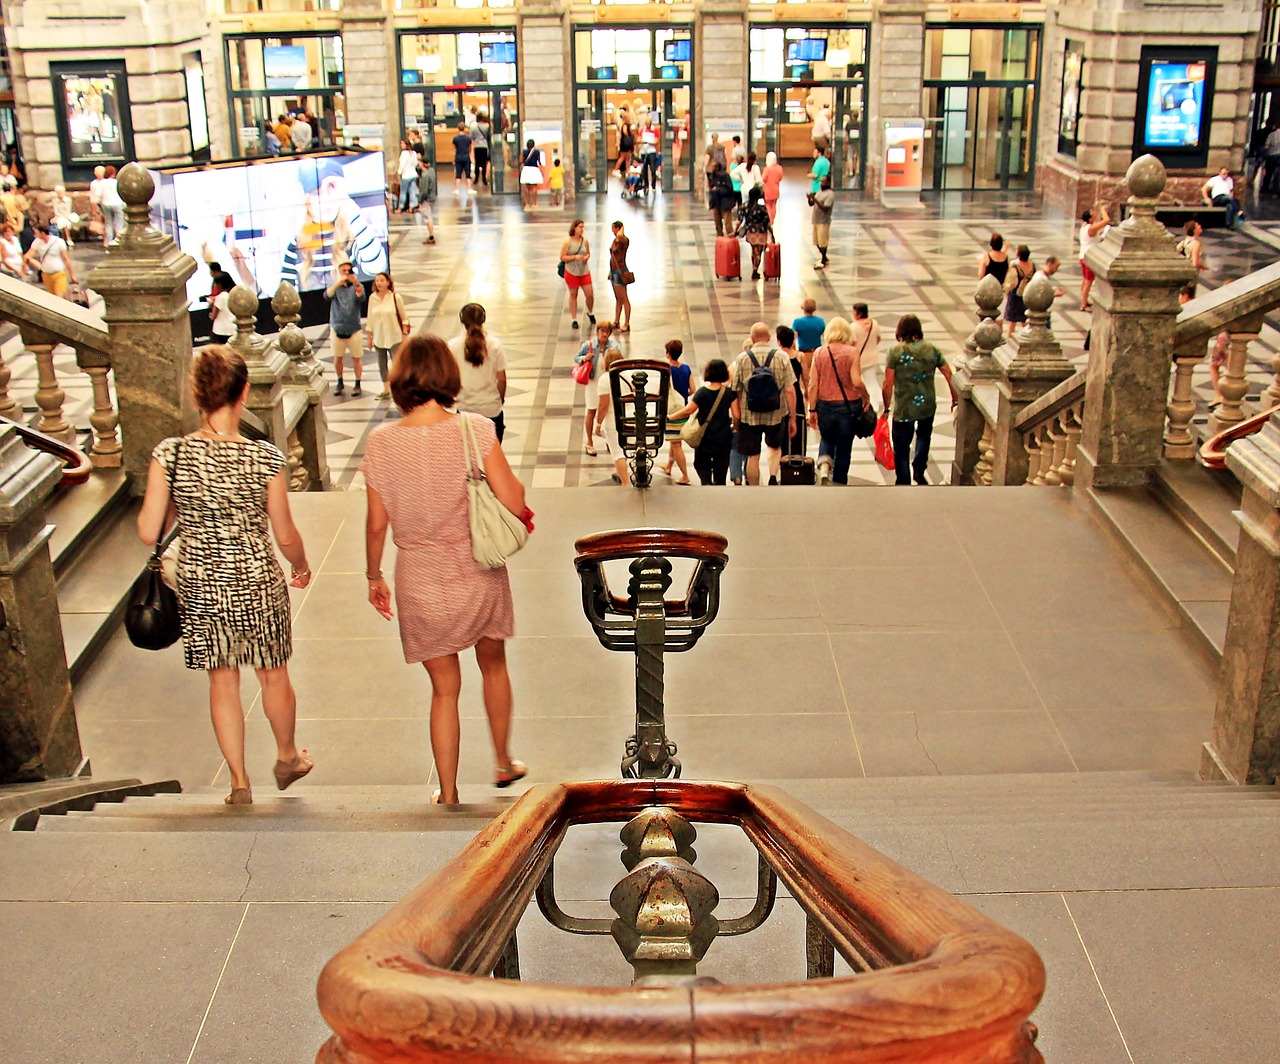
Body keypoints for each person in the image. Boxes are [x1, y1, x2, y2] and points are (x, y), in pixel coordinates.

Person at [136, 346, 314, 807]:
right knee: (273, 674)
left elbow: (146, 530)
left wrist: (183, 500)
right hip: (257, 580)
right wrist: (300, 565)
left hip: (199, 582)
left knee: (222, 681)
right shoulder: (265, 459)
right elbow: (286, 532)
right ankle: (287, 756)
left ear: (197, 394)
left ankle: (238, 781)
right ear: (244, 393)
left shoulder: (171, 454)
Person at [361, 334, 529, 807]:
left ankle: (450, 793)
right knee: (492, 664)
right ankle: (502, 761)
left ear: (399, 381)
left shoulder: (381, 444)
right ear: (449, 377)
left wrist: (374, 576)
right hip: (476, 568)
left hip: (418, 576)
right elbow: (514, 499)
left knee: (443, 690)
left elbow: (377, 524)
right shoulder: (474, 430)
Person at [882, 314, 957, 487]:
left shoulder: (895, 352)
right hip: (927, 405)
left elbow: (888, 383)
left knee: (901, 447)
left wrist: (887, 407)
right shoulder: (932, 349)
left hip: (904, 408)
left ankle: (903, 480)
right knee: (924, 437)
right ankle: (919, 468)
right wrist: (954, 398)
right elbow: (948, 374)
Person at [729, 321, 797, 485]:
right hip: (776, 413)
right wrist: (792, 417)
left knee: (753, 455)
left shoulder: (742, 358)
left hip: (749, 414)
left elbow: (736, 390)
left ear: (752, 338)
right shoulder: (781, 357)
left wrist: (736, 417)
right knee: (774, 448)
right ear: (769, 337)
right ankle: (773, 477)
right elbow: (790, 389)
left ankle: (753, 486)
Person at [807, 316, 871, 486]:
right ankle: (840, 482)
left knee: (826, 438)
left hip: (824, 404)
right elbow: (857, 382)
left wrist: (812, 410)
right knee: (844, 445)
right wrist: (866, 396)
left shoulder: (819, 352)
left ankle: (825, 466)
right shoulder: (852, 352)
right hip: (848, 407)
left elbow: (813, 385)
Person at [446, 303, 508, 440]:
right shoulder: (494, 344)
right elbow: (501, 379)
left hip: (465, 409)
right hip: (490, 408)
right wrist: (500, 398)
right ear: (484, 319)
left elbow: (450, 378)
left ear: (462, 321)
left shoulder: (453, 346)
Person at [670, 358, 736, 486]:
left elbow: (689, 410)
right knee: (721, 471)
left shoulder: (702, 393)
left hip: (704, 437)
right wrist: (735, 426)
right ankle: (718, 486)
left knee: (702, 465)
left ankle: (706, 484)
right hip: (723, 438)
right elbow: (736, 414)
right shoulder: (729, 393)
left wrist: (671, 417)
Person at [574, 319, 620, 456]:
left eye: (607, 331)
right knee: (591, 411)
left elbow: (620, 360)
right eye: (602, 331)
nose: (604, 334)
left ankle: (609, 439)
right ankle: (589, 441)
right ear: (597, 331)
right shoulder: (589, 345)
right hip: (593, 382)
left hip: (607, 383)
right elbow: (577, 357)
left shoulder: (614, 346)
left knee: (607, 411)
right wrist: (584, 358)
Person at [366, 271, 409, 401]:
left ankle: (400, 388)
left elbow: (404, 317)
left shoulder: (395, 297)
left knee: (397, 363)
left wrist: (405, 334)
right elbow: (370, 318)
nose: (379, 283)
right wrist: (369, 336)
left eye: (382, 280)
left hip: (394, 336)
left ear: (388, 282)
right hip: (379, 336)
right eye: (377, 281)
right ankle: (386, 388)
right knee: (381, 363)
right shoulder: (372, 298)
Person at [326, 260, 365, 397]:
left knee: (356, 358)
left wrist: (355, 283)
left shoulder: (356, 286)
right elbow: (327, 295)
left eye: (349, 271)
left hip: (354, 329)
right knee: (338, 358)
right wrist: (338, 283)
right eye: (344, 271)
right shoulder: (335, 288)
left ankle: (357, 383)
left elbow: (361, 297)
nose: (346, 274)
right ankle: (339, 381)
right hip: (337, 328)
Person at [658, 339, 693, 485]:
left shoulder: (667, 371)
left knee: (676, 443)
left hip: (672, 411)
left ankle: (685, 475)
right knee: (675, 440)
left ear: (668, 353)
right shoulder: (686, 368)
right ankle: (669, 465)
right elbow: (693, 389)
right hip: (684, 409)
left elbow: (662, 392)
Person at [776, 324, 808, 461]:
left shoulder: (777, 357)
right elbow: (806, 378)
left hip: (780, 397)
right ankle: (799, 458)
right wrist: (808, 394)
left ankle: (782, 460)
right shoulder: (800, 356)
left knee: (781, 428)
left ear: (779, 341)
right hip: (797, 395)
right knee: (798, 427)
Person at [560, 218, 595, 331]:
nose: (582, 229)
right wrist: (574, 257)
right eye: (580, 227)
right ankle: (574, 318)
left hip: (584, 271)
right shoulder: (567, 242)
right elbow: (562, 257)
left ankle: (590, 311)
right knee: (573, 295)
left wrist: (586, 257)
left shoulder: (585, 241)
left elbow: (588, 253)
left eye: (583, 227)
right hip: (572, 272)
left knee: (589, 294)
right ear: (574, 228)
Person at [25, 223, 75, 297]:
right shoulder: (37, 242)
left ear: (42, 233)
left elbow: (66, 259)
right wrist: (36, 264)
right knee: (52, 297)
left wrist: (72, 275)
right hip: (46, 274)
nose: (35, 234)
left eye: (36, 232)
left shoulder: (58, 242)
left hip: (59, 273)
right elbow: (28, 256)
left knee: (59, 296)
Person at [735, 186, 774, 280]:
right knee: (758, 252)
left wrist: (735, 231)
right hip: (761, 232)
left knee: (754, 250)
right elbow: (767, 222)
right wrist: (772, 234)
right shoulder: (762, 208)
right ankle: (755, 270)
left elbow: (739, 220)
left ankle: (754, 268)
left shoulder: (744, 206)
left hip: (750, 232)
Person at [1078, 206, 1110, 309]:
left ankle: (1084, 300)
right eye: (1093, 213)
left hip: (1082, 255)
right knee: (1088, 282)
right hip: (1089, 257)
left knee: (1085, 280)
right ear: (1090, 218)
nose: (1095, 213)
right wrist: (1103, 211)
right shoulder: (1091, 228)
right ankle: (1083, 304)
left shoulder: (1085, 226)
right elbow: (1107, 220)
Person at [1003, 244, 1035, 336]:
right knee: (1025, 321)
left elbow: (1009, 280)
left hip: (1015, 295)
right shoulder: (1032, 266)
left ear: (1018, 255)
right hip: (1026, 295)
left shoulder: (1014, 265)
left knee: (1012, 323)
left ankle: (1009, 342)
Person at [609, 220, 632, 333]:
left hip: (620, 271)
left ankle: (627, 323)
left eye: (613, 228)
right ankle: (616, 320)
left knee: (624, 298)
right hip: (614, 271)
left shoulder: (623, 240)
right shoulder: (615, 240)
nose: (612, 230)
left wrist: (620, 233)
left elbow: (621, 239)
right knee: (618, 299)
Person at [810, 174, 834, 269]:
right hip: (816, 219)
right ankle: (825, 258)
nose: (821, 183)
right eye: (821, 181)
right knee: (817, 242)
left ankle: (823, 260)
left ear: (828, 182)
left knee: (823, 242)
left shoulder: (830, 194)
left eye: (823, 181)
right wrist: (810, 198)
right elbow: (812, 203)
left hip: (823, 221)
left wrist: (815, 199)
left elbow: (825, 208)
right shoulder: (819, 191)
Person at [707, 162, 736, 237]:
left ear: (717, 167)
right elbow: (711, 187)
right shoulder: (712, 176)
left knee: (728, 223)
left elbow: (729, 189)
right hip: (716, 202)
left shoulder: (724, 176)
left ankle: (730, 238)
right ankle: (719, 237)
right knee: (717, 223)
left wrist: (718, 190)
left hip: (725, 202)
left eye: (713, 167)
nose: (712, 168)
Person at [99, 165, 125, 245]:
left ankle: (109, 242)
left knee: (108, 223)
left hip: (105, 204)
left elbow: (99, 195)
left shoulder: (101, 183)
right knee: (119, 223)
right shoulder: (116, 182)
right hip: (117, 203)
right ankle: (119, 241)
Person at [208, 271, 237, 343]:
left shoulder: (221, 297)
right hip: (232, 328)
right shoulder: (233, 294)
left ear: (220, 284)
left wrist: (211, 307)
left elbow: (213, 316)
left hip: (220, 331)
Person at [396, 139, 420, 212]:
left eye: (402, 144)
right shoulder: (414, 153)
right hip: (413, 174)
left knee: (403, 192)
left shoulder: (404, 153)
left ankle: (400, 207)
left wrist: (399, 173)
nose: (401, 145)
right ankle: (411, 207)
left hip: (405, 175)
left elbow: (402, 165)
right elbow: (416, 163)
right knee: (412, 191)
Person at [519, 139, 543, 208]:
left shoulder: (524, 152)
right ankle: (535, 203)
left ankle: (527, 203)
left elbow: (521, 160)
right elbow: (539, 160)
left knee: (527, 187)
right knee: (534, 187)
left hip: (526, 169)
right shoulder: (536, 152)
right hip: (534, 169)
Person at [417, 159, 437, 245]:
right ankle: (431, 235)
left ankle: (431, 236)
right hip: (432, 197)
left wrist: (420, 201)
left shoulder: (425, 176)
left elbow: (424, 191)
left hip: (426, 199)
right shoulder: (431, 171)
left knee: (427, 217)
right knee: (429, 216)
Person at [452, 121, 474, 197]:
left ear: (458, 128)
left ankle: (457, 189)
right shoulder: (468, 138)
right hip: (466, 156)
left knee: (458, 174)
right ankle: (469, 189)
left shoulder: (455, 138)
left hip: (458, 156)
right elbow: (470, 148)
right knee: (468, 173)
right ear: (464, 128)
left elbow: (455, 148)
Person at [762, 151, 784, 223]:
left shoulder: (767, 169)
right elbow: (780, 178)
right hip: (776, 189)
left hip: (767, 189)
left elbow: (763, 179)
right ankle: (773, 220)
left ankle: (770, 219)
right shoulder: (779, 168)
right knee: (774, 205)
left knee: (768, 205)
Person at [472, 111, 492, 189]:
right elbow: (489, 137)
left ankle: (476, 179)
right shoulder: (487, 126)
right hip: (484, 146)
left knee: (477, 163)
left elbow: (472, 137)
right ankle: (484, 179)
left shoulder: (473, 126)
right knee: (484, 163)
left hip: (477, 146)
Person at [615, 115, 634, 181]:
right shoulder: (625, 125)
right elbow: (625, 131)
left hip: (624, 143)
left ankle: (627, 170)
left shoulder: (623, 124)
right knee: (624, 157)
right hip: (626, 144)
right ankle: (616, 169)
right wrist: (629, 136)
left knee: (627, 157)